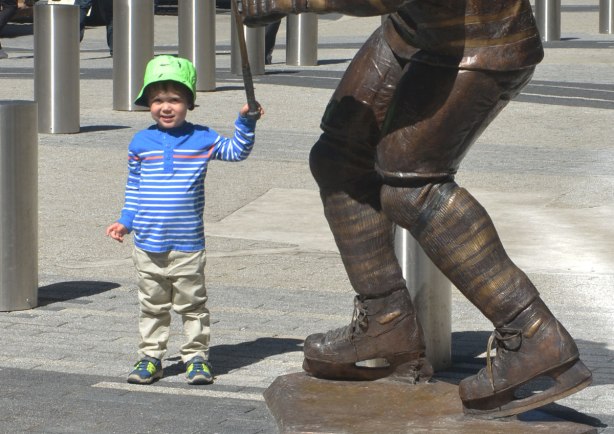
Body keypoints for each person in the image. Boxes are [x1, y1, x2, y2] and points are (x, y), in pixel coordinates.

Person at [240, 0, 592, 418]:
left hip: (482, 41)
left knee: (413, 186)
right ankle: (384, 320)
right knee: (339, 160)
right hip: (411, 29)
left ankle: (532, 334)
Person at [106, 55, 264, 385]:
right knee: (152, 306)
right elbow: (134, 186)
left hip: (188, 245)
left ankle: (196, 358)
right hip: (148, 244)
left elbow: (236, 151)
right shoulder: (140, 143)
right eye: (158, 99)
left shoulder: (203, 138)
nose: (166, 107)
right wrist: (125, 221)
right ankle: (151, 357)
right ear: (147, 103)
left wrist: (246, 123)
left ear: (189, 103)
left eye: (175, 99)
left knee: (192, 306)